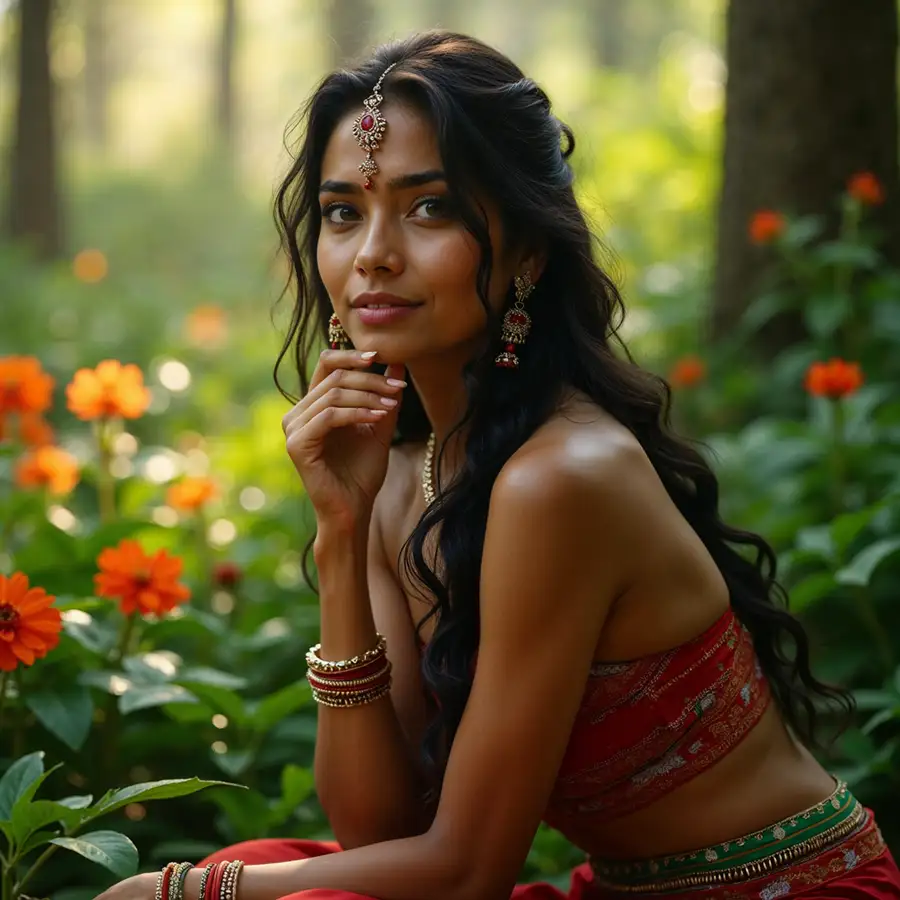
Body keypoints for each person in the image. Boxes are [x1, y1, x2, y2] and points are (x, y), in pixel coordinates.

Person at [98, 30, 900, 900]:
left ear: (527, 251)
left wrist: (170, 891)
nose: (373, 252)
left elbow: (464, 874)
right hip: (620, 889)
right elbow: (382, 832)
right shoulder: (406, 471)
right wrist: (342, 532)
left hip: (780, 889)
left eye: (430, 207)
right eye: (342, 212)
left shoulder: (561, 478)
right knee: (271, 873)